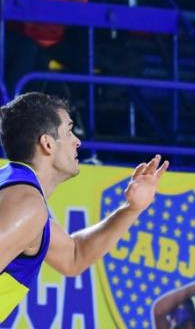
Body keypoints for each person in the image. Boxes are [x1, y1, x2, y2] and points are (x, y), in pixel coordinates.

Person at [0, 92, 168, 323]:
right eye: (69, 131)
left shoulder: (18, 192)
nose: (77, 141)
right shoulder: (27, 204)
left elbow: (74, 255)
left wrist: (131, 208)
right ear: (47, 144)